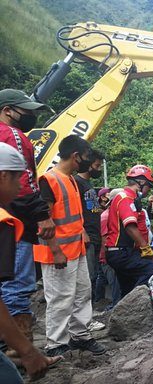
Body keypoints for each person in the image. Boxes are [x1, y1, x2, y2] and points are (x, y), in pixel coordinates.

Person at [33, 135, 107, 356]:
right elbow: (44, 222)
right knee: (60, 298)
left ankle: (80, 335)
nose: (87, 162)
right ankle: (56, 344)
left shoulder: (72, 180)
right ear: (76, 157)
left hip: (76, 248)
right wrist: (56, 250)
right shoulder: (49, 180)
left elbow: (71, 214)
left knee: (82, 293)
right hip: (57, 252)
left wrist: (82, 232)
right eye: (86, 158)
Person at [0, 89, 56, 357]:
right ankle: (20, 353)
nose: (32, 116)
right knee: (17, 284)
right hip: (15, 220)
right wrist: (41, 213)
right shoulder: (13, 136)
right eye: (27, 110)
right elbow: (24, 181)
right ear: (8, 110)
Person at [0, 143, 62, 382]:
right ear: (4, 175)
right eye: (18, 180)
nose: (20, 187)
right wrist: (27, 352)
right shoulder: (4, 221)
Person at [105, 165, 153, 297]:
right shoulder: (126, 198)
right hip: (122, 253)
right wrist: (145, 248)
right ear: (141, 183)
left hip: (120, 252)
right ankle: (134, 303)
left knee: (127, 289)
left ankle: (125, 313)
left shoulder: (127, 198)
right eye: (148, 186)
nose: (148, 191)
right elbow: (130, 226)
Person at [73, 149, 106, 332]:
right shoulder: (77, 183)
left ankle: (87, 316)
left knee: (91, 278)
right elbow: (75, 210)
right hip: (86, 237)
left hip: (94, 236)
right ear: (88, 162)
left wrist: (100, 208)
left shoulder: (88, 185)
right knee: (86, 280)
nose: (98, 168)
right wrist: (82, 230)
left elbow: (90, 210)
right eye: (97, 165)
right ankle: (85, 321)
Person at [99, 188, 121, 310]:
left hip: (115, 255)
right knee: (115, 285)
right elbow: (104, 239)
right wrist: (106, 257)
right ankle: (115, 308)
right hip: (108, 256)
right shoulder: (106, 216)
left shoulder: (115, 215)